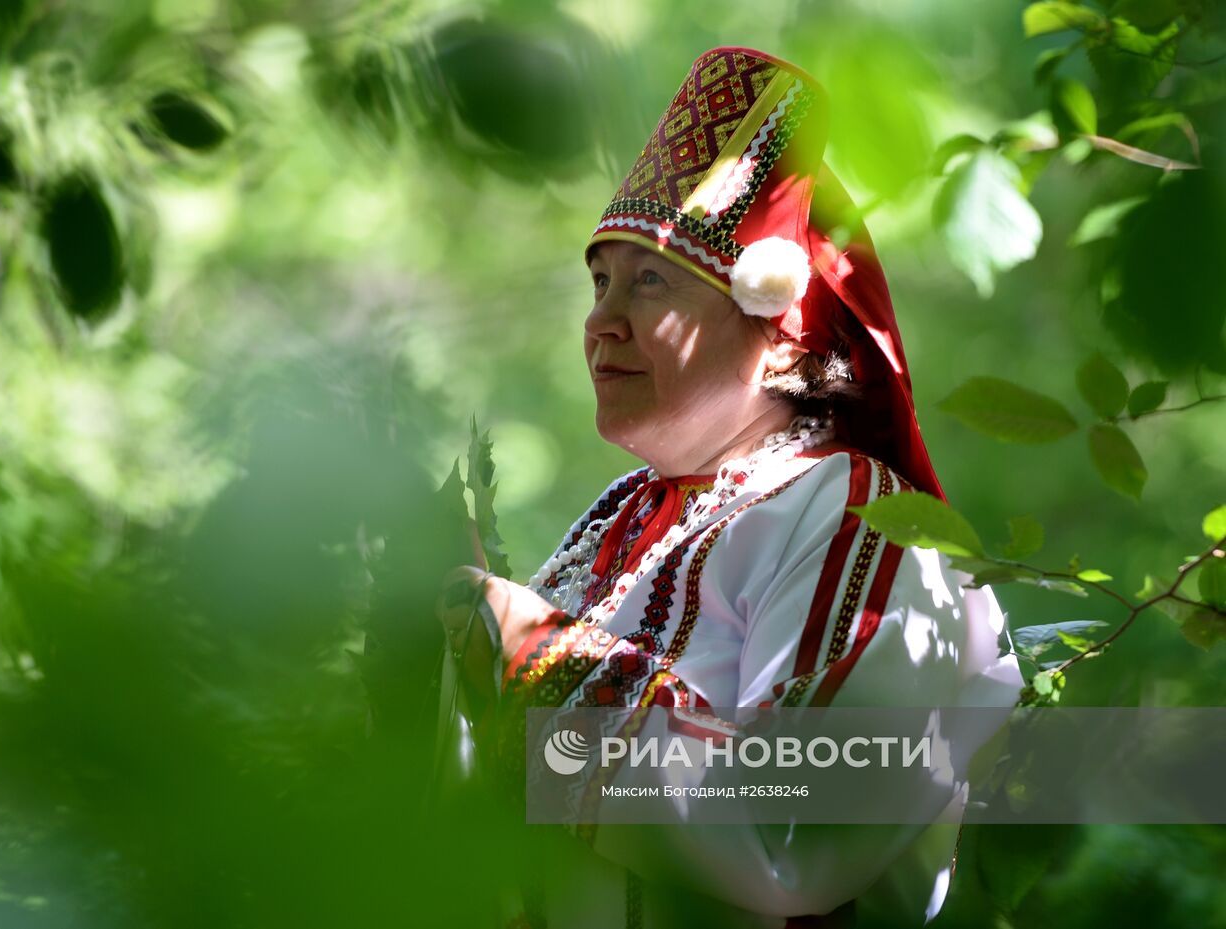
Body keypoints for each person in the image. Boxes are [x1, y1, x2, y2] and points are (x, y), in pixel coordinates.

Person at [438, 46, 1023, 928]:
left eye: (649, 282)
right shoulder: (619, 523)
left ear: (783, 334)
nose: (600, 321)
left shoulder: (857, 513)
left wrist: (528, 647)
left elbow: (791, 824)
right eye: (600, 281)